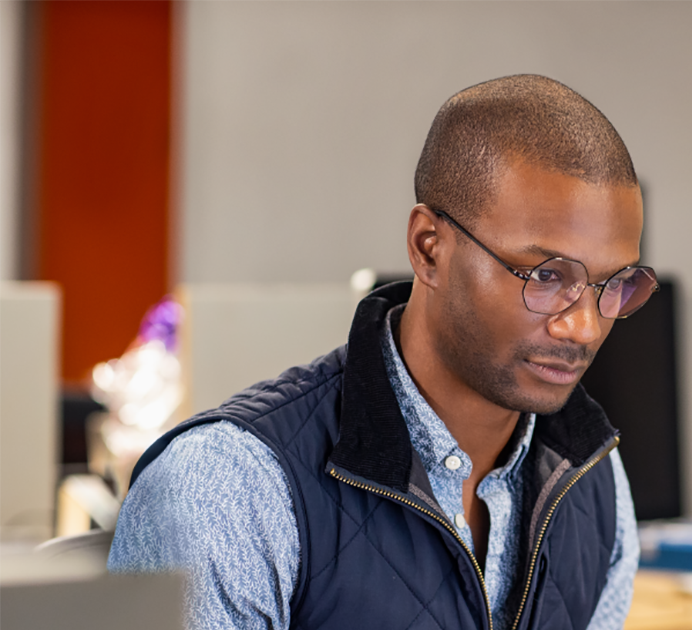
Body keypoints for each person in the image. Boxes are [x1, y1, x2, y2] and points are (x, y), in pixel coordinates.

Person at [108, 74, 658, 630]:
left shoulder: (593, 477)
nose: (585, 327)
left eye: (615, 284)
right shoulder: (230, 489)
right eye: (544, 275)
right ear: (429, 248)